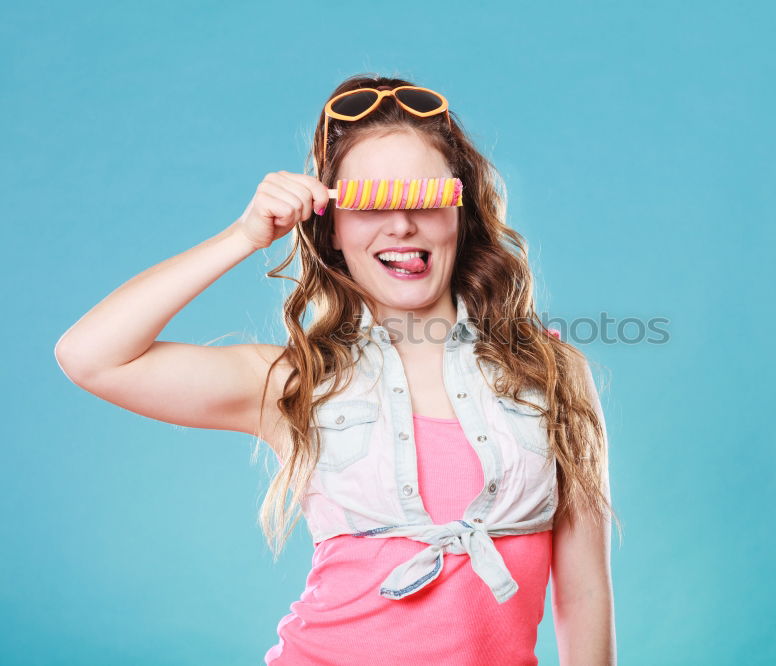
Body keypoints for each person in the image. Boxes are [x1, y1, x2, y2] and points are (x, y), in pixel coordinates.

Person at [54, 74, 619, 665]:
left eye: (426, 198)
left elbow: (584, 593)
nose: (401, 224)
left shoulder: (553, 373)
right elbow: (90, 356)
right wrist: (244, 236)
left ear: (462, 212)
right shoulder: (294, 381)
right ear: (332, 229)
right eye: (371, 203)